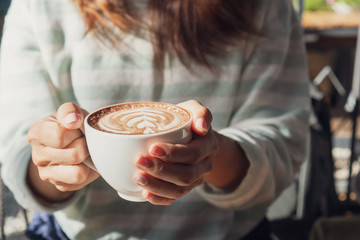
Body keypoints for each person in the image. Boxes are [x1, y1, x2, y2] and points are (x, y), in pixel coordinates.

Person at [0, 0, 310, 239]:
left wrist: (212, 155)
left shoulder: (265, 8)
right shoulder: (40, 7)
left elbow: (284, 145)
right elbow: (17, 151)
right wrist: (56, 160)